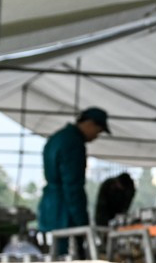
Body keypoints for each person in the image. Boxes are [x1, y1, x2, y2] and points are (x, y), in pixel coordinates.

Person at [38, 107, 109, 254]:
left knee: (51, 254)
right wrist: (82, 220)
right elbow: (72, 185)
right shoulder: (73, 143)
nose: (96, 136)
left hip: (50, 206)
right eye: (98, 131)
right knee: (67, 258)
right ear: (90, 123)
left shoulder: (57, 137)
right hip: (65, 209)